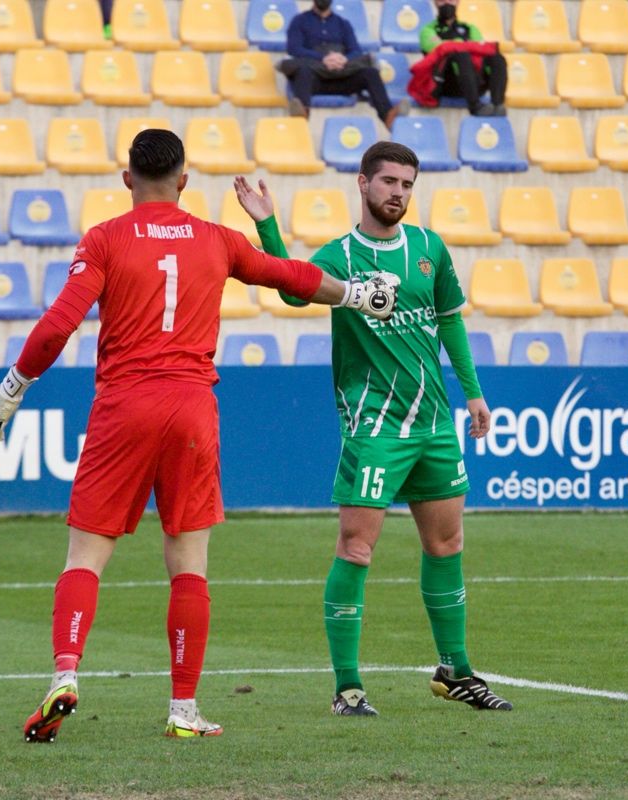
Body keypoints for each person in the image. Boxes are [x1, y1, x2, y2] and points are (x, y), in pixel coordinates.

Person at [0, 129, 399, 743]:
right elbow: (293, 277)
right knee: (189, 567)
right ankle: (183, 709)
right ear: (184, 182)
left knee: (85, 558)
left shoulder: (105, 239)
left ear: (128, 180)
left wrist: (13, 387)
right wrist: (359, 294)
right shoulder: (217, 238)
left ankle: (64, 675)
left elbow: (57, 326)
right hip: (191, 410)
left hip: (123, 406)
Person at [233, 141, 513, 716]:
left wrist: (474, 392)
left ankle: (455, 670)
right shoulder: (341, 257)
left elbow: (450, 324)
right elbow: (292, 288)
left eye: (408, 185)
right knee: (357, 548)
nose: (398, 194)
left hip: (434, 422)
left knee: (447, 543)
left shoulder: (430, 248)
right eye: (388, 182)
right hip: (375, 424)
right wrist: (269, 229)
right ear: (362, 184)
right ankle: (348, 686)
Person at [283, 0, 409, 128]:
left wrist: (343, 59)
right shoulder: (299, 21)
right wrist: (323, 58)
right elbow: (294, 48)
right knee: (303, 70)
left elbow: (355, 51)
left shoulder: (342, 23)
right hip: (315, 79)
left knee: (370, 73)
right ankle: (301, 117)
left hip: (342, 77)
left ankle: (388, 115)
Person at [417, 0, 507, 116]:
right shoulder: (428, 30)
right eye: (442, 1)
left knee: (496, 58)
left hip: (473, 81)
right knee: (461, 55)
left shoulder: (469, 28)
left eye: (451, 0)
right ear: (435, 3)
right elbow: (439, 49)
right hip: (445, 84)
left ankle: (497, 104)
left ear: (458, 2)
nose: (447, 3)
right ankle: (475, 107)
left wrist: (453, 45)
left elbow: (481, 49)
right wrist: (464, 44)